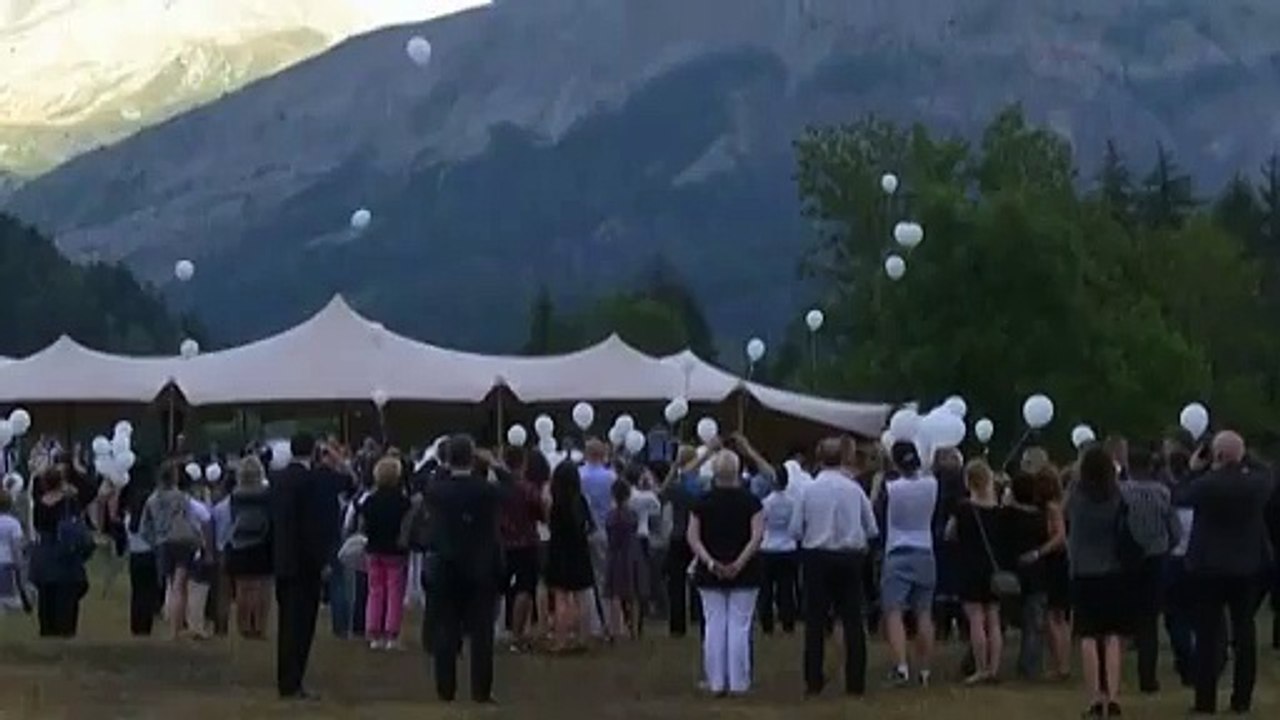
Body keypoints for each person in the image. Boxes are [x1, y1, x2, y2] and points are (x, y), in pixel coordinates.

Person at [1179, 431, 1276, 715]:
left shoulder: (1206, 484)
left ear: (1216, 455)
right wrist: (1245, 457)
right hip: (1246, 565)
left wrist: (1193, 469)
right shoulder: (1257, 484)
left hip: (1208, 566)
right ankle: (1241, 699)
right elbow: (1268, 473)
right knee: (1244, 633)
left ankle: (1205, 700)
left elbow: (1181, 495)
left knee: (1208, 636)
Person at [791, 437, 877, 696]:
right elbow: (871, 527)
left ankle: (813, 680)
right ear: (844, 458)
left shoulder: (809, 490)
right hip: (850, 557)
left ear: (819, 459)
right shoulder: (855, 489)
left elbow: (795, 529)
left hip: (817, 556)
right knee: (852, 620)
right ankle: (855, 681)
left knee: (815, 621)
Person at [424, 435, 506, 703]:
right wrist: (495, 463)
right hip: (479, 566)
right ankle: (481, 690)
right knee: (482, 633)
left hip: (446, 566)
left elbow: (422, 481)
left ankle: (445, 687)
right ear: (472, 458)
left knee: (445, 629)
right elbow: (511, 487)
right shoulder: (486, 490)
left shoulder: (436, 490)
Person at [271, 432, 344, 701]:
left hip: (283, 560)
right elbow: (317, 525)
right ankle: (294, 679)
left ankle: (284, 677)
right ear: (313, 450)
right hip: (306, 562)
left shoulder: (278, 480)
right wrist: (323, 559)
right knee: (302, 626)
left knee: (286, 623)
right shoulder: (314, 481)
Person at [687, 449, 764, 697]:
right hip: (745, 570)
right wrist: (739, 562)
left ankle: (716, 681)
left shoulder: (702, 502)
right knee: (740, 626)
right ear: (738, 470)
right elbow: (757, 536)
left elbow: (693, 537)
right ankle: (739, 682)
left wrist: (710, 562)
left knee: (714, 625)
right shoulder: (751, 501)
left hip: (709, 572)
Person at [1065, 445, 1131, 719]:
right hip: (1113, 569)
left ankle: (1094, 697)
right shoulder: (1118, 496)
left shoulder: (1076, 497)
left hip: (1083, 570)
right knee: (1113, 635)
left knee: (1088, 635)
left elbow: (1066, 515)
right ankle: (1113, 696)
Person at [1119, 445, 1181, 694]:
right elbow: (1174, 529)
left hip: (1126, 560)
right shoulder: (1163, 493)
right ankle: (1148, 678)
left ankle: (1115, 675)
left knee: (1122, 621)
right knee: (1149, 623)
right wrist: (1166, 545)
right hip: (1156, 559)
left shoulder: (1121, 492)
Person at [878, 440, 939, 687]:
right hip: (925, 550)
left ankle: (901, 666)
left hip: (898, 551)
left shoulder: (891, 488)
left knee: (894, 612)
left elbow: (878, 508)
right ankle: (925, 670)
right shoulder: (931, 485)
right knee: (924, 612)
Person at [944, 459, 1007, 685]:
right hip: (993, 569)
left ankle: (980, 668)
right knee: (994, 620)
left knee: (976, 620)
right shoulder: (999, 510)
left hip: (970, 566)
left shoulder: (963, 508)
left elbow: (949, 534)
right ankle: (994, 667)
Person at [27, 456, 91, 637]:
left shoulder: (39, 505)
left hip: (45, 552)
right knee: (66, 597)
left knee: (46, 597)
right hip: (66, 552)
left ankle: (47, 630)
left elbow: (38, 526)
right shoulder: (70, 502)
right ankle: (66, 630)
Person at [140, 462, 204, 641]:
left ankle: (173, 627)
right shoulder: (181, 497)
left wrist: (155, 542)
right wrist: (199, 539)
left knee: (172, 584)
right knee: (180, 585)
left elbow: (144, 528)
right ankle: (178, 627)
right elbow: (191, 519)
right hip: (183, 541)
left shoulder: (152, 499)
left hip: (163, 542)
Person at [359, 456, 412, 650]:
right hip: (396, 551)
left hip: (373, 550)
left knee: (375, 591)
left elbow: (362, 526)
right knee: (395, 593)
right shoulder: (404, 502)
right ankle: (391, 634)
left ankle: (373, 632)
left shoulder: (369, 501)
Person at [545, 460, 594, 652]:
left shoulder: (553, 501)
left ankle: (561, 640)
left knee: (561, 598)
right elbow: (589, 525)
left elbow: (550, 525)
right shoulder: (580, 500)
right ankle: (583, 638)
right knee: (582, 596)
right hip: (579, 550)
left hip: (559, 550)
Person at [498, 446, 544, 649]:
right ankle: (517, 634)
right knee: (524, 588)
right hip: (526, 542)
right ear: (523, 463)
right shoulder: (528, 488)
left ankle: (499, 628)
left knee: (499, 587)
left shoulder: (497, 487)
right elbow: (541, 513)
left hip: (502, 542)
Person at [226, 455, 273, 639]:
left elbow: (231, 517)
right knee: (263, 587)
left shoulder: (235, 495)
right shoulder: (266, 494)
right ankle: (260, 626)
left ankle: (243, 625)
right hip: (262, 542)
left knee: (243, 589)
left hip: (240, 543)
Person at [758, 466, 798, 635]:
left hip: (768, 547)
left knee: (766, 589)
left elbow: (762, 524)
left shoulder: (765, 503)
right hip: (787, 547)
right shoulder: (793, 502)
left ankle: (767, 623)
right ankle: (788, 621)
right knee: (786, 588)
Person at [604, 478, 642, 638]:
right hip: (631, 554)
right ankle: (633, 629)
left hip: (615, 554)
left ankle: (615, 628)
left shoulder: (610, 516)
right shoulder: (632, 514)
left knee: (615, 594)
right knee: (632, 594)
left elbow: (609, 535)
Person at [0, 491, 26, 614]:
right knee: (9, 598)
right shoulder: (13, 523)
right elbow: (16, 546)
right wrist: (19, 563)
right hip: (7, 562)